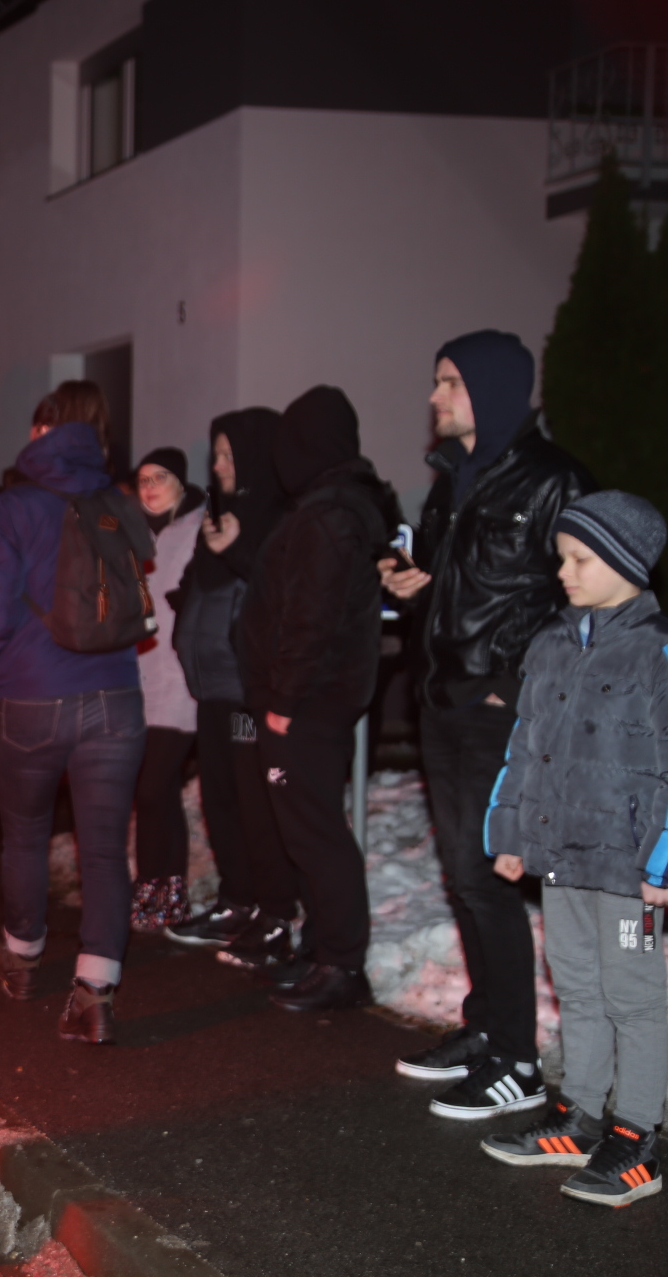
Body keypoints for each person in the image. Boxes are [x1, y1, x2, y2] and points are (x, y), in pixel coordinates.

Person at [380, 330, 594, 1118]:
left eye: (448, 383)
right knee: (464, 880)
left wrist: (520, 687)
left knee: (486, 879)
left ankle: (518, 1062)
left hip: (502, 709)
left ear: (490, 390)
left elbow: (590, 593)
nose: (434, 398)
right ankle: (487, 1028)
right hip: (442, 698)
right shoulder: (451, 481)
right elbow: (452, 585)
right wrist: (412, 584)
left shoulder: (555, 481)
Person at [479, 491, 668, 1207]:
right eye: (562, 557)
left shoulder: (657, 652)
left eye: (580, 558)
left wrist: (663, 862)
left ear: (625, 562)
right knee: (580, 987)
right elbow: (523, 747)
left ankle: (636, 1136)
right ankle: (582, 1114)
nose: (564, 571)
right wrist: (510, 831)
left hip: (628, 872)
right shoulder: (553, 644)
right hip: (563, 857)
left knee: (635, 998)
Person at [0, 381, 151, 1043]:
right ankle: (95, 992)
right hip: (114, 696)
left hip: (31, 695)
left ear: (43, 429)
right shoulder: (115, 501)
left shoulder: (13, 506)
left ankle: (20, 955)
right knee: (104, 847)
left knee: (24, 832)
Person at [237, 386, 394, 1012]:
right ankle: (321, 947)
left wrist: (283, 699)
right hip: (304, 699)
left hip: (306, 702)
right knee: (304, 832)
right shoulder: (327, 506)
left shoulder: (331, 512)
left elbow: (311, 616)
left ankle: (342, 965)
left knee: (316, 833)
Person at [164, 411, 301, 967]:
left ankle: (273, 909)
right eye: (215, 455)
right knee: (219, 796)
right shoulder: (223, 518)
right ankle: (236, 899)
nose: (217, 466)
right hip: (212, 687)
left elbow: (274, 593)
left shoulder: (274, 518)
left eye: (227, 455)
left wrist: (235, 550)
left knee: (255, 797)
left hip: (249, 691)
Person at [129, 447, 205, 931]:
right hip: (135, 676)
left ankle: (169, 891)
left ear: (181, 482)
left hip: (181, 676)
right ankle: (152, 888)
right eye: (142, 480)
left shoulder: (200, 528)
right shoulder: (131, 532)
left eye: (160, 477)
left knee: (156, 783)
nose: (150, 487)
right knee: (149, 790)